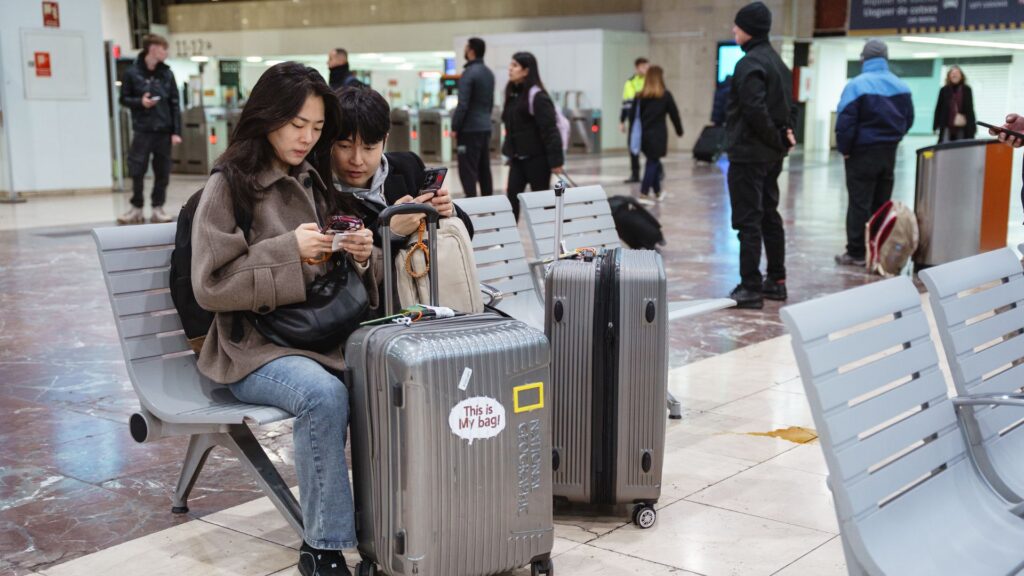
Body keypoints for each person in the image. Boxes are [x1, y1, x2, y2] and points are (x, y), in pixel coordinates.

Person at [190, 62, 378, 576]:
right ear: (268, 115)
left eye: (317, 128)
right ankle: (323, 545)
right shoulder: (229, 185)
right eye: (298, 124)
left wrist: (357, 252)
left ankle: (387, 522)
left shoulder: (311, 180)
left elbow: (324, 269)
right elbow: (210, 286)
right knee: (323, 395)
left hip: (311, 335)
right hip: (251, 346)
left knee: (393, 371)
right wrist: (287, 253)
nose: (307, 138)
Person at [327, 86, 473, 248]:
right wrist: (389, 231)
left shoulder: (408, 167)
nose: (357, 160)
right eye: (345, 146)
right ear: (330, 141)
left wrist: (448, 210)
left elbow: (467, 233)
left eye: (368, 148)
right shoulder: (319, 189)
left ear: (385, 140)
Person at [724, 2, 797, 310]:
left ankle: (750, 286)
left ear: (749, 30)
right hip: (770, 156)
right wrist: (783, 138)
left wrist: (773, 138)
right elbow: (787, 108)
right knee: (769, 214)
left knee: (748, 220)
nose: (733, 30)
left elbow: (755, 111)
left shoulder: (749, 64)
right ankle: (776, 281)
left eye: (737, 26)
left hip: (749, 155)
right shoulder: (778, 63)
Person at [834, 39, 914, 267]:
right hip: (889, 152)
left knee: (859, 202)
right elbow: (909, 120)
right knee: (881, 202)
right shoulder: (901, 86)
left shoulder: (856, 85)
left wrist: (845, 149)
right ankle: (879, 249)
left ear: (864, 59)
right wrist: (894, 137)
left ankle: (857, 252)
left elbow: (845, 123)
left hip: (861, 152)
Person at [117, 34, 182, 225]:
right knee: (137, 168)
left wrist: (176, 131)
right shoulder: (132, 73)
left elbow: (175, 104)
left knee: (162, 170)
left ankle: (157, 207)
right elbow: (124, 98)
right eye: (163, 49)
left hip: (163, 130)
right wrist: (140, 102)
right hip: (143, 129)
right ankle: (136, 207)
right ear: (152, 49)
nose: (166, 53)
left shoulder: (167, 74)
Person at [501, 52, 565, 220]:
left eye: (515, 65)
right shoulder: (513, 94)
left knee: (541, 203)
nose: (510, 68)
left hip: (538, 160)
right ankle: (507, 241)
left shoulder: (538, 97)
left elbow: (550, 130)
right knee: (511, 200)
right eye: (511, 64)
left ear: (526, 71)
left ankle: (548, 240)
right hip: (517, 159)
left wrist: (556, 161)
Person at [452, 37, 496, 198]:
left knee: (468, 169)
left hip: (469, 130)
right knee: (484, 168)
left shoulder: (469, 74)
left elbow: (463, 104)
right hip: (485, 127)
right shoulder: (488, 73)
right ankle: (489, 203)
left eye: (465, 48)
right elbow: (490, 103)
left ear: (471, 51)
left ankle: (471, 204)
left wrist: (455, 127)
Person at [633, 66, 683, 200]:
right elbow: (674, 114)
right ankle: (644, 191)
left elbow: (633, 117)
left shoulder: (640, 96)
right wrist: (679, 130)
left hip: (645, 136)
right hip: (659, 135)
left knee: (653, 160)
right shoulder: (665, 95)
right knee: (653, 162)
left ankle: (657, 192)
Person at [620, 57, 649, 183]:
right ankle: (635, 174)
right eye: (644, 67)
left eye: (647, 66)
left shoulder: (650, 82)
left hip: (647, 120)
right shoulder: (630, 82)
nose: (646, 69)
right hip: (633, 120)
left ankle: (657, 172)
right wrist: (621, 121)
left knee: (649, 148)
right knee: (632, 147)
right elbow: (626, 103)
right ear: (637, 67)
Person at [933, 65, 976, 143]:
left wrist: (973, 128)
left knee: (961, 147)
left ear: (961, 76)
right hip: (946, 125)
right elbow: (938, 108)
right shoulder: (944, 90)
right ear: (949, 76)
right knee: (944, 147)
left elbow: (970, 109)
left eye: (957, 73)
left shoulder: (967, 89)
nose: (954, 75)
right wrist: (935, 126)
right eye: (952, 73)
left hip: (962, 125)